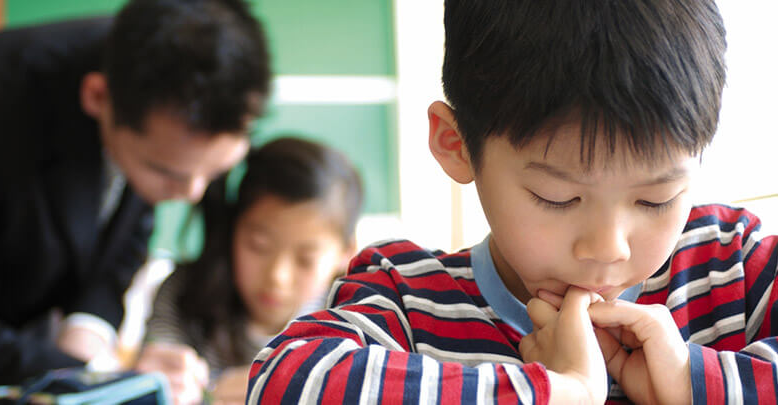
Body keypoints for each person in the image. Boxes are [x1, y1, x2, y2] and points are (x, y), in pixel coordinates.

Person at [247, 1, 778, 404]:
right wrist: (556, 390)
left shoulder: (733, 264)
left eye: (656, 199)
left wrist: (691, 380)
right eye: (558, 197)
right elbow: (286, 380)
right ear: (457, 146)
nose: (607, 248)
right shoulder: (405, 301)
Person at [0, 0, 269, 401]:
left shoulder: (175, 78)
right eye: (167, 174)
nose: (191, 192)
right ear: (97, 97)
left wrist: (87, 333)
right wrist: (100, 373)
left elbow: (125, 232)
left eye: (214, 172)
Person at [135, 137, 364, 405]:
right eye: (259, 246)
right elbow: (157, 374)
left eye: (305, 259)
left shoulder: (360, 322)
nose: (277, 276)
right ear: (233, 229)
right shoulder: (184, 295)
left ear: (346, 253)